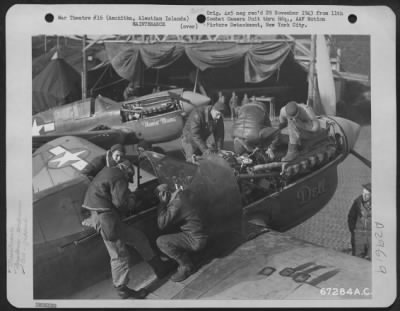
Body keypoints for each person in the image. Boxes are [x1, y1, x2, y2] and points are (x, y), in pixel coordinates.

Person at [82, 160, 171, 299]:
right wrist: (135, 198)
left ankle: (159, 267)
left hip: (103, 214)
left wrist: (129, 196)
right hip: (106, 220)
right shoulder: (119, 176)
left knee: (138, 238)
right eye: (129, 178)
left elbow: (112, 193)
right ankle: (122, 289)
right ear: (127, 171)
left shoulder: (110, 170)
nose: (128, 182)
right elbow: (121, 203)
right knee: (119, 255)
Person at [155, 184, 208, 282]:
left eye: (158, 197)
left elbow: (161, 224)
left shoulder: (176, 203)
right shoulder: (182, 195)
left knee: (161, 241)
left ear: (164, 194)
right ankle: (188, 257)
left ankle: (187, 267)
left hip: (197, 239)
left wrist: (162, 204)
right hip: (204, 232)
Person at [347, 183, 372, 260]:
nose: (364, 196)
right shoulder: (357, 203)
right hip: (358, 236)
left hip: (371, 236)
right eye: (363, 193)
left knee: (371, 261)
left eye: (367, 194)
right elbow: (351, 217)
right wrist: (353, 231)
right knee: (357, 260)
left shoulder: (378, 205)